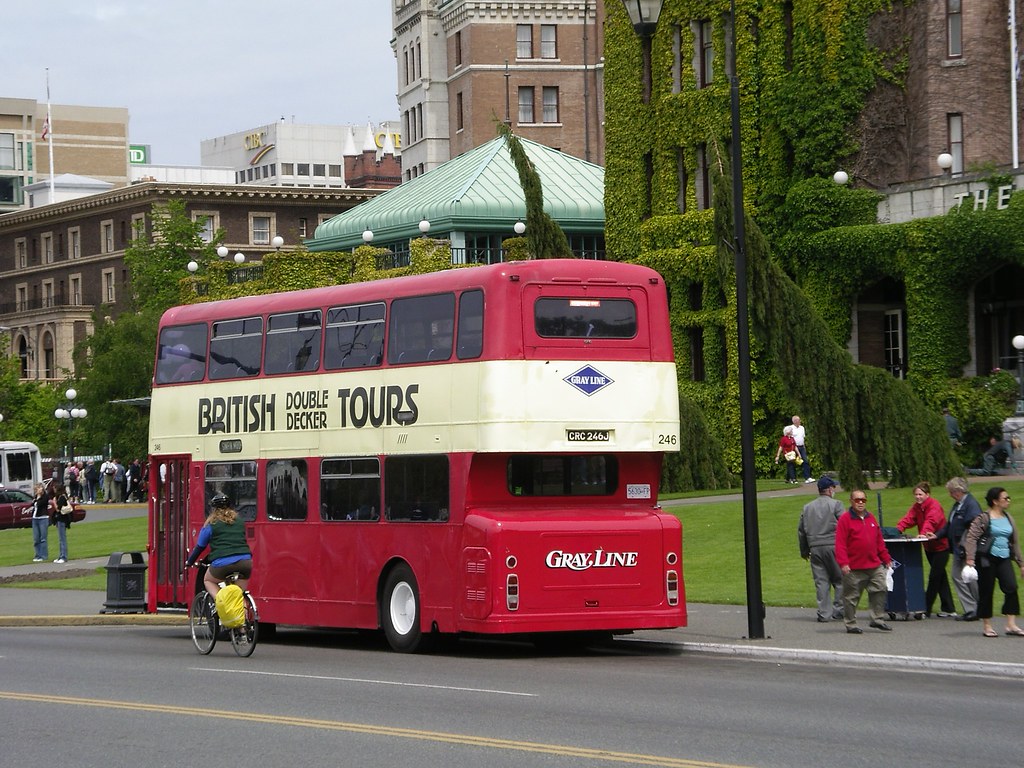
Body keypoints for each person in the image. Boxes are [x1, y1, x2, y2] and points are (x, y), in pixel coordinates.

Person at [964, 487, 1024, 638]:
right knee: (987, 590)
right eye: (1005, 498)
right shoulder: (983, 518)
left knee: (1011, 587)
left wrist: (1021, 563)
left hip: (1004, 558)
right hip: (986, 559)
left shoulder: (1008, 518)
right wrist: (970, 558)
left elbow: (1015, 542)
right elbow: (971, 538)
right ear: (995, 501)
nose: (1008, 500)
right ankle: (987, 625)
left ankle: (1011, 624)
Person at [835, 489, 893, 633]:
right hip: (854, 567)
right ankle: (851, 623)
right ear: (851, 502)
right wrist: (843, 563)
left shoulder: (871, 518)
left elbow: (879, 540)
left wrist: (886, 558)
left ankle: (877, 619)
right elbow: (840, 543)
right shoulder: (845, 519)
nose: (860, 503)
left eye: (863, 500)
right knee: (851, 597)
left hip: (874, 564)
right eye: (857, 500)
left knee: (880, 588)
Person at [895, 481, 956, 618]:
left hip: (941, 546)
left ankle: (925, 608)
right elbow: (909, 519)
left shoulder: (934, 506)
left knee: (934, 577)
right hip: (929, 547)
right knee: (940, 577)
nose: (918, 497)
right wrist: (898, 529)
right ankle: (949, 608)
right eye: (916, 494)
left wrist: (924, 533)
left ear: (927, 494)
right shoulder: (917, 507)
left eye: (920, 494)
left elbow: (931, 521)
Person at [184, 493, 253, 598]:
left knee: (208, 580)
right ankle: (243, 613)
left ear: (213, 509)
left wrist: (190, 562)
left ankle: (221, 603)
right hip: (246, 562)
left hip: (223, 563)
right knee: (239, 596)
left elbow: (200, 547)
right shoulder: (239, 521)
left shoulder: (211, 523)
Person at [798, 476, 844, 622]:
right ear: (830, 489)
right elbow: (845, 525)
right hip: (833, 545)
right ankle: (839, 610)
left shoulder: (807, 507)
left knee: (821, 581)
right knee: (840, 579)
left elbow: (801, 531)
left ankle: (824, 613)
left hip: (815, 547)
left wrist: (804, 550)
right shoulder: (836, 504)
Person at [941, 477, 981, 621]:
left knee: (969, 578)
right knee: (958, 576)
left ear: (958, 491)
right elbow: (950, 525)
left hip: (966, 549)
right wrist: (937, 535)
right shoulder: (957, 505)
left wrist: (966, 546)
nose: (950, 494)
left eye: (951, 492)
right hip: (958, 548)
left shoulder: (971, 505)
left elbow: (974, 527)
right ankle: (972, 608)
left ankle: (976, 608)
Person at [791, 415, 814, 484]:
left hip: (801, 447)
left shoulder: (802, 428)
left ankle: (807, 477)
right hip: (794, 447)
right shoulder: (791, 428)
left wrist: (804, 447)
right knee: (792, 463)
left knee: (805, 461)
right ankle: (792, 478)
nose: (800, 421)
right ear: (794, 421)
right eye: (798, 420)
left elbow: (802, 437)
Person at [30, 483, 50, 562]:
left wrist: (38, 497)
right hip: (35, 518)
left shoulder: (45, 496)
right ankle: (37, 555)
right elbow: (32, 504)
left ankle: (44, 555)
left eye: (38, 488)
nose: (37, 490)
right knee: (36, 538)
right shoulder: (36, 497)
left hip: (43, 518)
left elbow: (40, 504)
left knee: (43, 538)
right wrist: (36, 498)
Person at [52, 483, 70, 564]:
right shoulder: (59, 497)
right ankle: (60, 555)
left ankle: (64, 556)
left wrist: (54, 502)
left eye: (54, 488)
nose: (54, 490)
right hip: (59, 519)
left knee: (62, 539)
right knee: (60, 539)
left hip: (62, 519)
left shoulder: (62, 497)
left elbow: (58, 509)